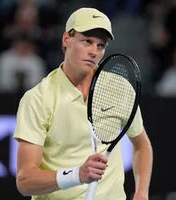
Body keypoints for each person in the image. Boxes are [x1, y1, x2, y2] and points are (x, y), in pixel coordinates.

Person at [13, 7, 153, 200]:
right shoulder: (38, 99)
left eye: (100, 45)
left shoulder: (119, 88)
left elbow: (141, 144)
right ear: (66, 40)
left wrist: (141, 193)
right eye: (87, 41)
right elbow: (25, 181)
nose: (94, 52)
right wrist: (77, 175)